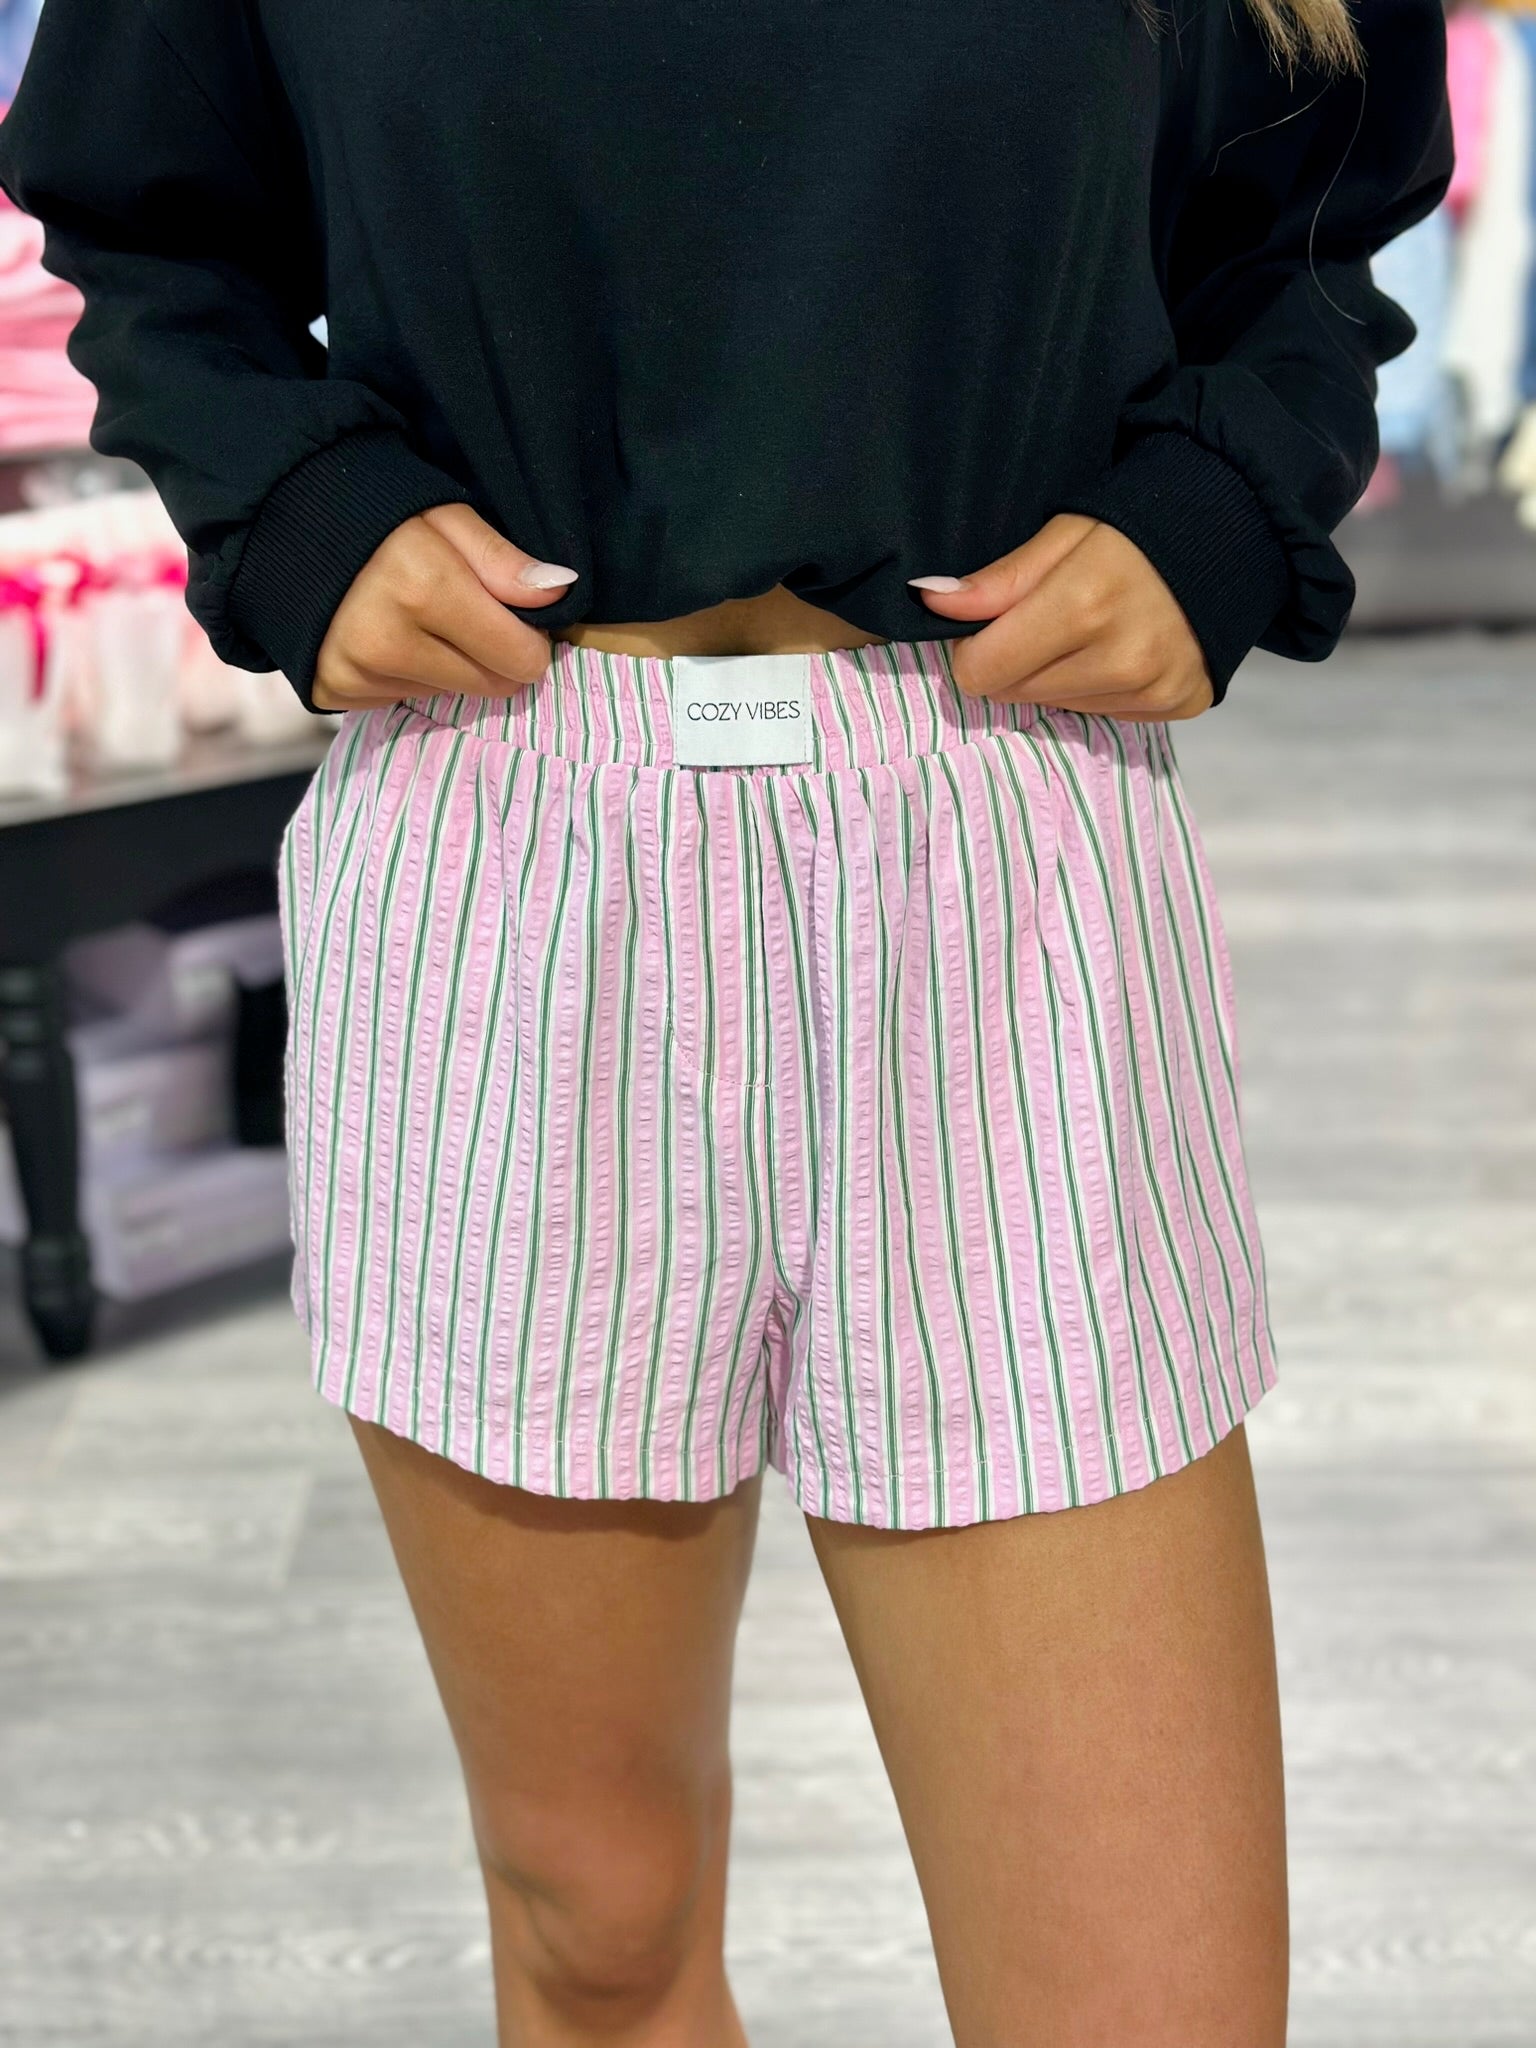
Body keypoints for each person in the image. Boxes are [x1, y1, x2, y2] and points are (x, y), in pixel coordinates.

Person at [0, 2, 1451, 2041]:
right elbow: (148, 211)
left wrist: (1218, 501)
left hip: (1000, 835)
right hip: (507, 823)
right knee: (598, 1928)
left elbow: (1313, 213)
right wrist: (296, 499)